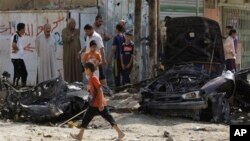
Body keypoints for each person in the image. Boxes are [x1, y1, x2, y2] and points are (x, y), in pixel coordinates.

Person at [70, 62, 125, 141]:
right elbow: (95, 90)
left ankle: (120, 133)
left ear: (88, 69)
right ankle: (80, 135)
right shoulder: (91, 78)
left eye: (85, 69)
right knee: (88, 118)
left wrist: (100, 103)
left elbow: (100, 89)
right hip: (94, 104)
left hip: (98, 104)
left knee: (107, 118)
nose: (84, 71)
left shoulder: (93, 78)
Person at [10, 23, 33, 87]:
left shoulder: (18, 36)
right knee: (23, 74)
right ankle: (19, 88)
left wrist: (22, 48)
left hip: (18, 58)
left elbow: (17, 46)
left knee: (20, 74)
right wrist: (17, 49)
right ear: (22, 29)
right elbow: (14, 45)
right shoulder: (16, 36)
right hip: (17, 59)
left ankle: (19, 87)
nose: (25, 30)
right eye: (24, 28)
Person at [62, 18, 82, 83]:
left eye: (75, 23)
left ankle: (77, 83)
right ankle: (68, 83)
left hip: (76, 54)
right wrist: (72, 36)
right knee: (69, 68)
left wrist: (79, 52)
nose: (75, 25)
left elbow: (78, 42)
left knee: (77, 68)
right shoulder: (64, 31)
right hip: (68, 54)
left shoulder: (77, 31)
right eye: (73, 23)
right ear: (69, 24)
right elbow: (66, 39)